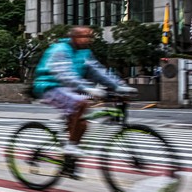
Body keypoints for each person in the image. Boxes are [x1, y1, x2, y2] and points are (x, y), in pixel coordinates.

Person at [33, 26, 137, 176]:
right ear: (74, 37)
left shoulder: (84, 53)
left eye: (90, 36)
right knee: (81, 103)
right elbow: (64, 74)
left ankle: (68, 166)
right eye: (84, 36)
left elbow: (98, 72)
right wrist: (88, 89)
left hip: (70, 89)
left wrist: (119, 87)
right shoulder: (60, 49)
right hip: (49, 86)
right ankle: (70, 148)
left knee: (81, 124)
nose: (88, 39)